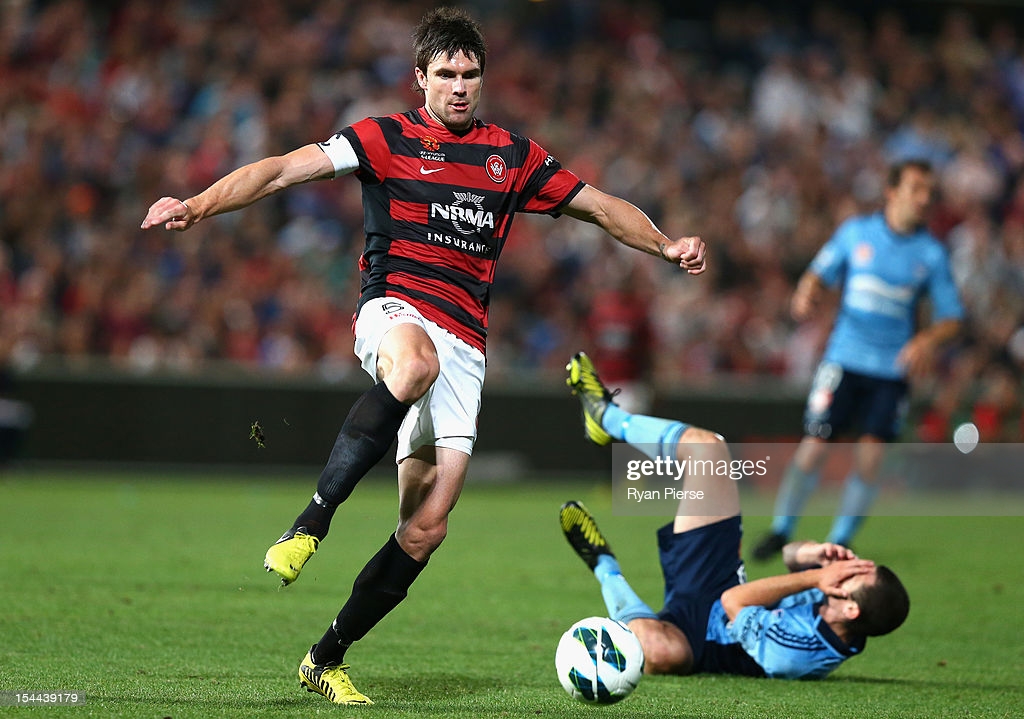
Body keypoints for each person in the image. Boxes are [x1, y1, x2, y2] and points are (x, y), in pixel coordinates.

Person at [140, 7, 706, 706]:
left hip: (466, 345)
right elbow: (283, 170)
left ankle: (324, 657)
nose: (459, 86)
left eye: (470, 74)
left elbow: (600, 206)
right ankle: (310, 523)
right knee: (413, 365)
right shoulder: (385, 138)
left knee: (426, 527)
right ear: (420, 78)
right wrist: (197, 205)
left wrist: (666, 245)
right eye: (446, 74)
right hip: (396, 309)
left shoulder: (512, 157)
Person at [562, 351, 910, 679]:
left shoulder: (800, 653)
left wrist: (816, 578)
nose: (850, 569)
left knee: (660, 653)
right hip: (719, 580)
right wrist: (813, 555)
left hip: (699, 642)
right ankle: (607, 417)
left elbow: (734, 603)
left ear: (851, 609)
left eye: (856, 575)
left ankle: (603, 563)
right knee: (709, 449)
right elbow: (789, 558)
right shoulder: (835, 594)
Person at [751, 159, 964, 560]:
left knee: (870, 459)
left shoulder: (931, 254)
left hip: (891, 371)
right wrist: (806, 291)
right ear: (892, 191)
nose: (924, 198)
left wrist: (927, 339)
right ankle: (781, 530)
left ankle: (841, 540)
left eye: (929, 191)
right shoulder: (856, 234)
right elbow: (819, 272)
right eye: (916, 188)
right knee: (814, 448)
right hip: (843, 360)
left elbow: (952, 316)